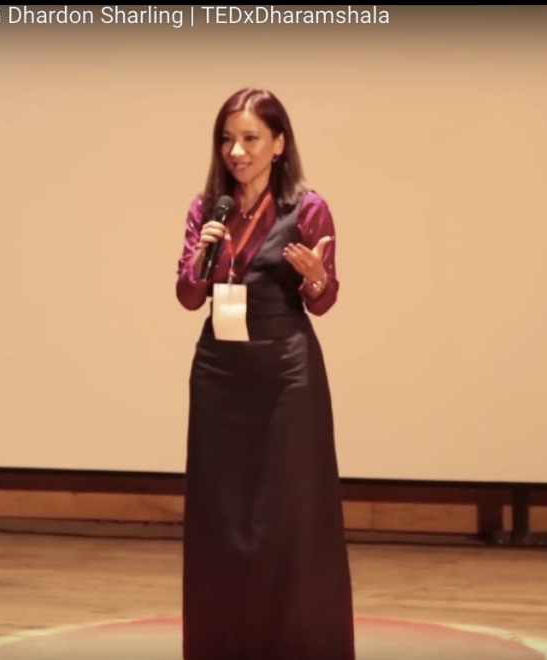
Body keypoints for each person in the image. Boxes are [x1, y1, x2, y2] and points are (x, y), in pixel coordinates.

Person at [173, 87, 355, 660]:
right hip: (219, 372)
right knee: (220, 513)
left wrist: (316, 277)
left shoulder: (307, 208)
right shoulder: (207, 208)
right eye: (227, 139)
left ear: (278, 144)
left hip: (285, 374)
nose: (236, 151)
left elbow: (323, 300)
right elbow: (187, 297)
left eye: (250, 138)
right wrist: (200, 259)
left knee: (289, 514)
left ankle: (298, 644)